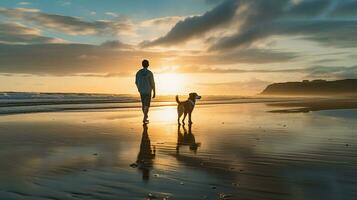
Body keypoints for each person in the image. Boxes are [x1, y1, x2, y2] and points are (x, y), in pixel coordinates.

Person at [135, 59, 156, 123]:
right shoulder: (150, 73)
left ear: (142, 65)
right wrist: (154, 92)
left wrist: (139, 89)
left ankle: (145, 116)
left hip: (142, 91)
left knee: (144, 105)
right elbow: (152, 83)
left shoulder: (138, 72)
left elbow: (136, 82)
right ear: (148, 65)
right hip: (148, 91)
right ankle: (145, 118)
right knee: (147, 105)